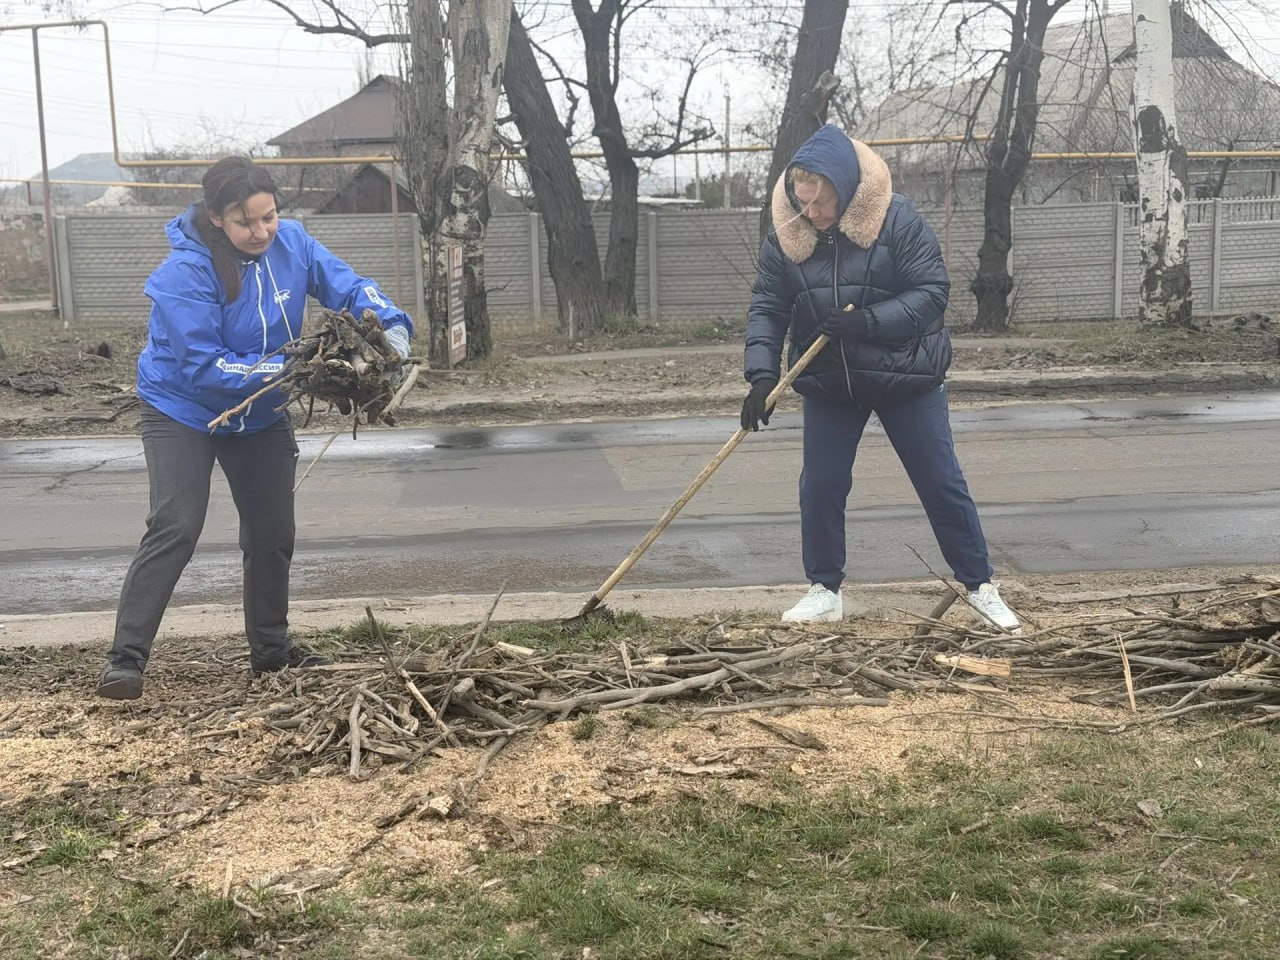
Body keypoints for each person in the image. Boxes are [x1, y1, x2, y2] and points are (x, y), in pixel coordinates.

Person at [95, 156, 415, 700]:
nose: (262, 231)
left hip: (261, 411)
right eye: (247, 222)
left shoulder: (293, 244)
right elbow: (204, 367)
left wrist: (390, 329)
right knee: (176, 524)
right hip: (183, 408)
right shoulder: (184, 274)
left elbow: (351, 287)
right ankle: (125, 660)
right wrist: (300, 370)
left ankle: (271, 653)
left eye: (269, 216)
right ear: (217, 218)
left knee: (271, 531)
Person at [741, 124, 1020, 632]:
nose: (811, 214)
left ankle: (980, 586)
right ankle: (824, 590)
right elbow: (767, 305)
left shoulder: (896, 219)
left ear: (845, 192)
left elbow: (932, 292)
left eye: (820, 204)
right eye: (802, 202)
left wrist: (865, 322)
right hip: (830, 381)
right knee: (820, 486)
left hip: (906, 373)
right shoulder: (788, 232)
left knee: (940, 482)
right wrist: (760, 376)